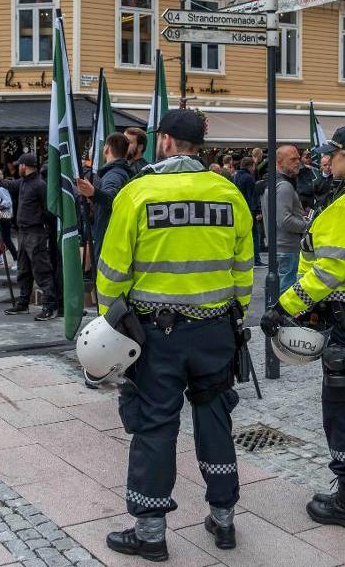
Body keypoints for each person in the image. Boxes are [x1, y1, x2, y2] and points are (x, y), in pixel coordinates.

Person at [95, 109, 254, 561]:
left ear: (164, 141)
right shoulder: (228, 193)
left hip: (155, 336)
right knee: (216, 420)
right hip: (216, 331)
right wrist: (236, 312)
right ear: (197, 146)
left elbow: (111, 273)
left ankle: (150, 533)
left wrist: (113, 324)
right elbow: (243, 267)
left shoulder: (138, 193)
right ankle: (223, 521)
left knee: (155, 426)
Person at [261, 125, 345, 530]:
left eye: (333, 154)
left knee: (342, 411)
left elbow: (329, 271)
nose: (326, 160)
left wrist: (282, 308)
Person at [0, 153, 56, 321]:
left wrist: (42, 223)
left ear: (24, 166)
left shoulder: (39, 185)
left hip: (35, 232)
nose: (18, 168)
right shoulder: (23, 182)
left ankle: (49, 306)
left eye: (19, 165)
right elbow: (9, 184)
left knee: (41, 270)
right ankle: (23, 302)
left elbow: (48, 209)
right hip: (23, 232)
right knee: (23, 270)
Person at [76, 132, 134, 268]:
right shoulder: (121, 171)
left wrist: (93, 193)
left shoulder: (114, 174)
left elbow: (111, 198)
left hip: (108, 239)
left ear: (107, 149)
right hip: (115, 237)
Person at [262, 146, 309, 294]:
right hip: (286, 249)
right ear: (280, 162)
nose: (298, 162)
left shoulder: (272, 182)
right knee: (285, 296)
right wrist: (307, 225)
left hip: (278, 247)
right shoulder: (284, 186)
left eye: (298, 158)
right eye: (293, 159)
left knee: (277, 294)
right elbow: (284, 220)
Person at [232, 156, 263, 267]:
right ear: (251, 166)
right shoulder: (249, 178)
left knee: (241, 236)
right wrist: (257, 211)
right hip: (249, 210)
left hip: (238, 210)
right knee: (255, 234)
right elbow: (252, 196)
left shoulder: (235, 176)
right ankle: (257, 259)